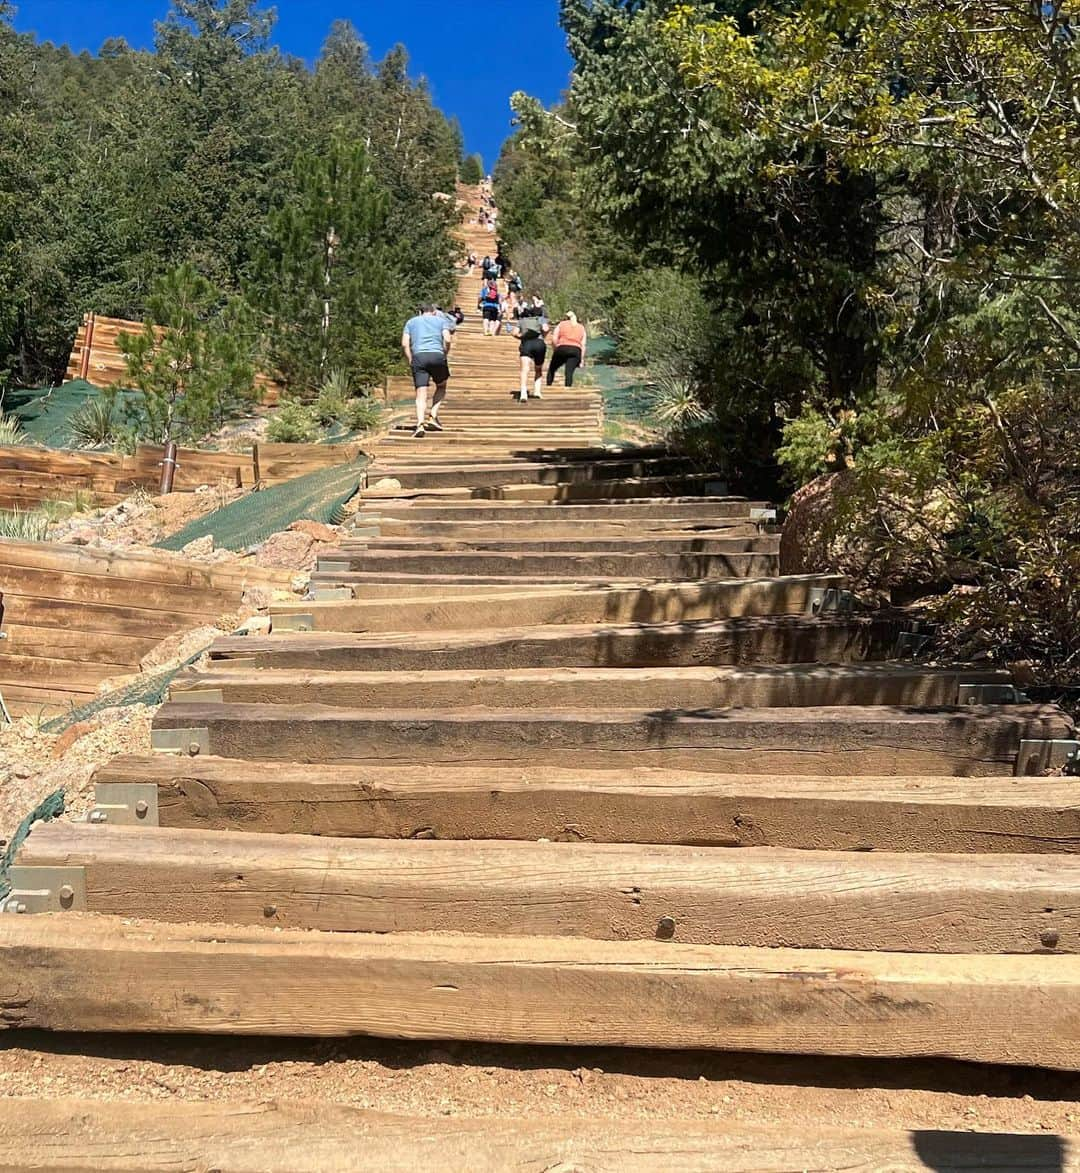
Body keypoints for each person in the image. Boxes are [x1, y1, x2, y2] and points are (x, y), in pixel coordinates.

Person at [401, 304, 453, 439]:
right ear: (434, 312)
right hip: (437, 356)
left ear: (420, 312)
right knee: (441, 385)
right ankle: (433, 415)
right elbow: (447, 339)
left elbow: (404, 343)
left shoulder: (411, 322)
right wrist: (445, 353)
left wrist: (410, 359)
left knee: (421, 392)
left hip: (418, 357)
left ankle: (419, 423)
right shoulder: (442, 321)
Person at [510, 304, 549, 402]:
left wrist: (521, 337)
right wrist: (543, 336)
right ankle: (537, 392)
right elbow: (546, 329)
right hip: (539, 344)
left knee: (525, 369)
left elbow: (514, 333)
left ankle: (523, 393)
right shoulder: (541, 319)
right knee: (538, 369)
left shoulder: (522, 321)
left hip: (526, 344)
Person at [548, 311, 588, 388]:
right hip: (576, 350)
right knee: (569, 372)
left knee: (552, 368)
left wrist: (555, 349)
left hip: (562, 347)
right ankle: (568, 388)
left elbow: (554, 338)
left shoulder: (561, 324)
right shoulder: (581, 328)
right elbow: (583, 345)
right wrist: (581, 360)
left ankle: (549, 384)